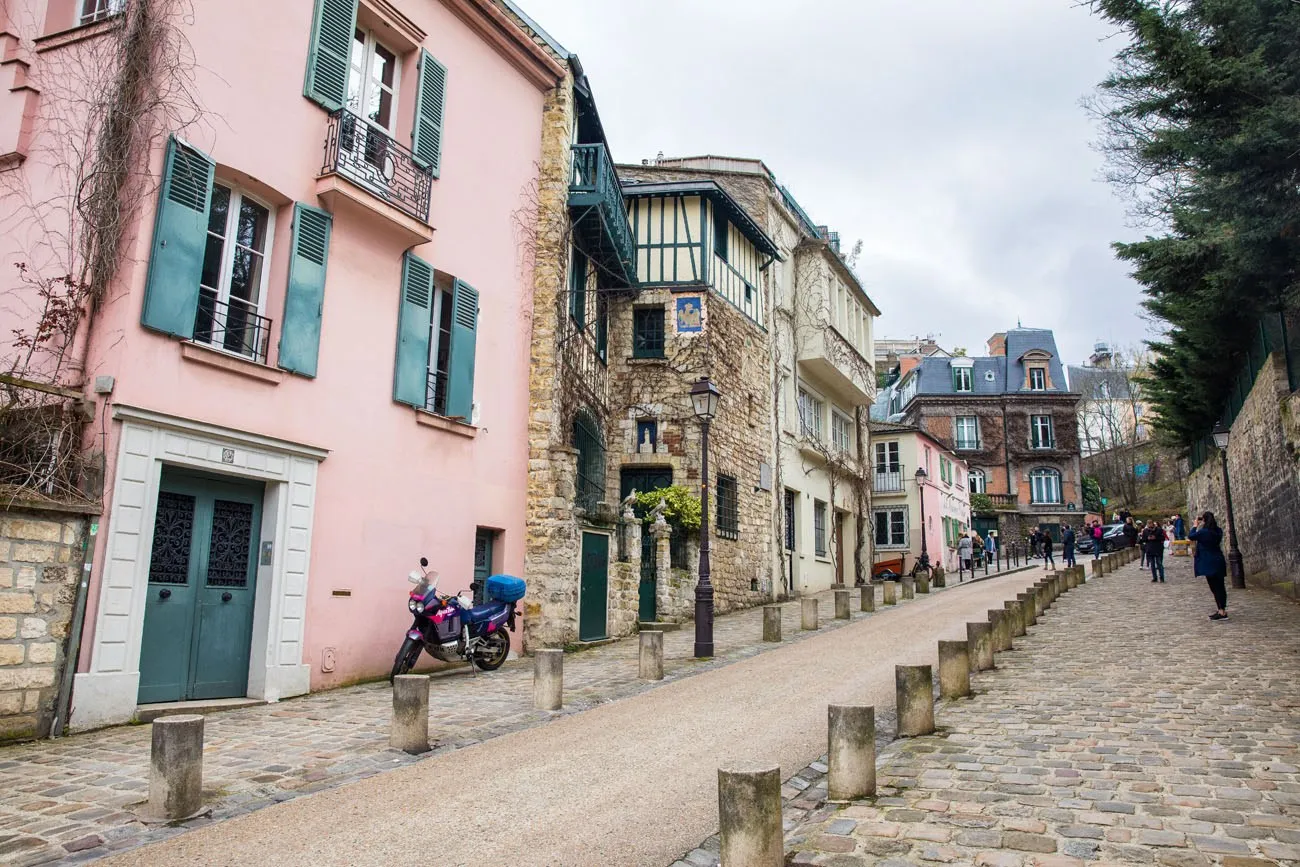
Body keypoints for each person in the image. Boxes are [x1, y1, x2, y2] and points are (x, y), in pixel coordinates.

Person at [1188, 512, 1228, 619]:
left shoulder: (1203, 532)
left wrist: (1195, 525)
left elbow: (1191, 536)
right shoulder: (1217, 531)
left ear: (1204, 520)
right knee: (1220, 586)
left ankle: (1221, 611)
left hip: (1208, 561)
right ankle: (1222, 609)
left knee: (1215, 587)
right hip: (1218, 559)